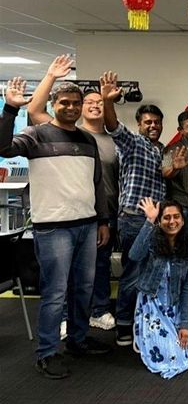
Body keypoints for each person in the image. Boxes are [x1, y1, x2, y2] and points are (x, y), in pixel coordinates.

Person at [3, 63, 112, 379]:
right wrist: (10, 109)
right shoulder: (35, 135)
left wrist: (103, 220)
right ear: (53, 104)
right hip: (53, 228)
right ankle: (47, 352)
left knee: (84, 289)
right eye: (64, 102)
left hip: (87, 224)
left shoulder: (87, 140)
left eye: (76, 103)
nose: (71, 107)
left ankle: (77, 340)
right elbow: (3, 148)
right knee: (55, 293)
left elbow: (96, 184)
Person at [19, 56, 120, 332]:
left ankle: (91, 320)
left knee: (93, 275)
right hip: (58, 221)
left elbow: (101, 181)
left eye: (99, 103)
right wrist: (51, 75)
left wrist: (103, 219)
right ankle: (59, 329)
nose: (93, 106)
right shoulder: (55, 131)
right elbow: (33, 111)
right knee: (60, 282)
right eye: (88, 102)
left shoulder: (104, 140)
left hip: (97, 216)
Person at [102, 72, 165, 347]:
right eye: (147, 122)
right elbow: (113, 127)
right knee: (132, 273)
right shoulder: (133, 143)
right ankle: (124, 325)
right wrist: (107, 101)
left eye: (157, 122)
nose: (153, 126)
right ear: (139, 124)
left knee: (152, 273)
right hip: (134, 219)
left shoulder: (161, 149)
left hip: (157, 221)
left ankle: (145, 322)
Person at [129, 197, 188, 379]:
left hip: (177, 301)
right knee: (171, 352)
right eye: (166, 217)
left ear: (183, 220)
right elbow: (134, 255)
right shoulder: (151, 238)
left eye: (176, 216)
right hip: (153, 305)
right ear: (160, 220)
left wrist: (185, 324)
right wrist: (149, 221)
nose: (172, 222)